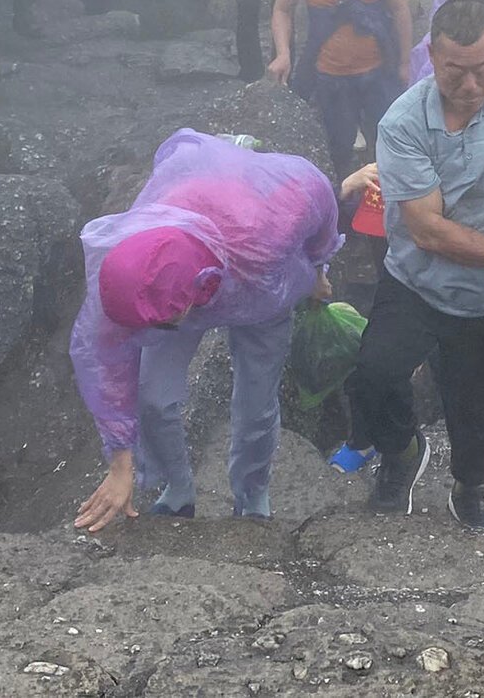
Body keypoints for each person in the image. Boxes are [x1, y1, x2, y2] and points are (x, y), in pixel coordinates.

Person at [71, 130, 359, 529]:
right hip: (177, 273)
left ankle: (252, 492)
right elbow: (106, 367)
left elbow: (317, 196)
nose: (150, 334)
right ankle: (176, 489)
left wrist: (318, 266)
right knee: (153, 397)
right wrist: (120, 461)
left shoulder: (264, 236)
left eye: (163, 324)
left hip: (258, 281)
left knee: (256, 401)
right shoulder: (127, 278)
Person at [350, 0, 484, 526]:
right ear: (431, 56)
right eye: (455, 72)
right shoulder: (405, 122)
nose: (470, 86)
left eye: (483, 71)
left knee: (475, 396)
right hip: (417, 280)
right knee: (373, 373)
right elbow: (426, 230)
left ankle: (470, 485)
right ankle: (401, 451)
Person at [267, 0, 411, 177]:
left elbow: (399, 9)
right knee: (338, 145)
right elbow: (282, 10)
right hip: (331, 74)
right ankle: (342, 197)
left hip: (378, 69)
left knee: (390, 139)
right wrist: (283, 53)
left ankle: (388, 200)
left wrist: (404, 61)